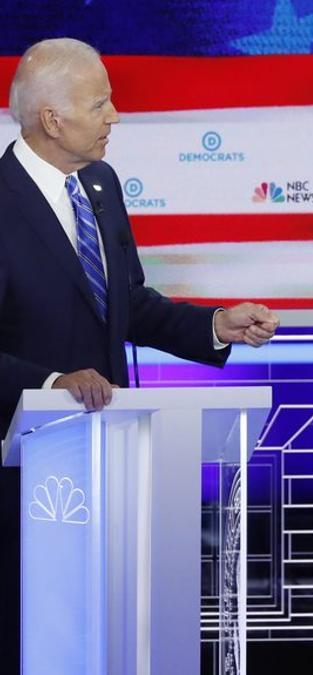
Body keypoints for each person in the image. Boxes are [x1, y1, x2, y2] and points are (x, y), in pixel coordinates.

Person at [0, 38, 280, 670]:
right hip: (24, 474)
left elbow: (128, 303)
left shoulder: (99, 184)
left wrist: (217, 326)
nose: (114, 117)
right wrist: (51, 382)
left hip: (112, 454)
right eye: (100, 103)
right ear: (52, 119)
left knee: (106, 629)